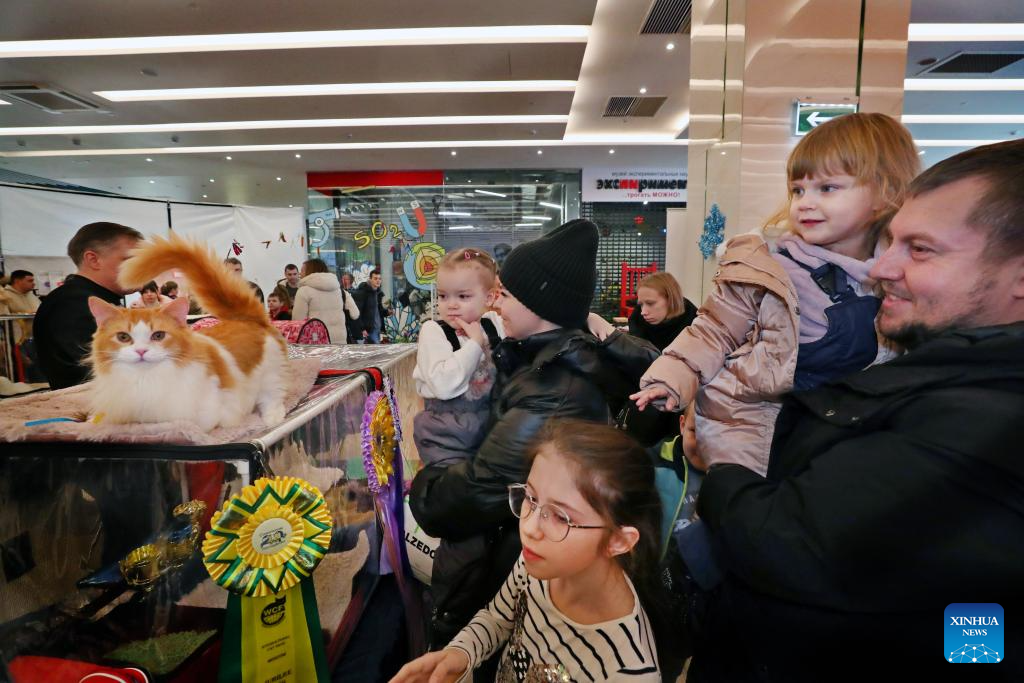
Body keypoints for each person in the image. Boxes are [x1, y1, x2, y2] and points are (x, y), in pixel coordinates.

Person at [686, 139, 1024, 681]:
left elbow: (784, 542)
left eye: (920, 249)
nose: (880, 268)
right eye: (890, 242)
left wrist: (719, 468)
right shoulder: (942, 374)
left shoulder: (984, 417)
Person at [408, 219, 660, 651]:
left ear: (539, 304)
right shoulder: (540, 363)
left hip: (514, 568)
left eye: (504, 294)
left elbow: (473, 495)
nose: (495, 304)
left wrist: (425, 486)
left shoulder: (553, 390)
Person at [632, 112, 920, 476]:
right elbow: (713, 330)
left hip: (847, 436)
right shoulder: (764, 268)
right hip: (756, 426)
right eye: (798, 190)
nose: (805, 202)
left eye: (827, 188)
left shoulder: (901, 276)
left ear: (884, 192)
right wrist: (669, 379)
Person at [393, 420, 665, 682]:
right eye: (531, 499)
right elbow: (499, 618)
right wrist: (460, 654)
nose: (530, 528)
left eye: (560, 517)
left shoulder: (627, 671)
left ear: (617, 541)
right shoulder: (539, 562)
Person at [413, 248, 504, 465]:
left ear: (489, 297)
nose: (451, 304)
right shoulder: (434, 331)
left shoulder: (493, 324)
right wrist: (474, 345)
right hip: (445, 437)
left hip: (490, 430)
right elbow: (443, 385)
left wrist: (588, 317)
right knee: (453, 491)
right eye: (443, 295)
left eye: (463, 296)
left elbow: (534, 318)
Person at [33, 222, 143, 389]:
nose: (143, 267)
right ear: (94, 259)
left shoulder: (87, 298)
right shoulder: (72, 304)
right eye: (131, 260)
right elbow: (91, 373)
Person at [626, 272, 697, 351]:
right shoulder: (637, 320)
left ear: (671, 300)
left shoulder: (695, 327)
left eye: (650, 303)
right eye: (641, 304)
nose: (643, 312)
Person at [291, 258, 357, 343]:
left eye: (302, 270)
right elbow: (355, 314)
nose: (300, 274)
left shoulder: (303, 291)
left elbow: (297, 321)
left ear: (310, 271)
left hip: (316, 342)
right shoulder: (339, 290)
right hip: (340, 342)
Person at [0, 270, 41, 344]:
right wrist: (26, 314)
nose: (33, 283)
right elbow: (3, 318)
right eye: (30, 281)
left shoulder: (32, 296)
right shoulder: (4, 296)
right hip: (17, 342)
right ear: (17, 281)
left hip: (37, 338)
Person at [353, 268, 390, 343]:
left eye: (379, 278)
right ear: (370, 279)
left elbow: (379, 311)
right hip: (369, 331)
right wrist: (362, 329)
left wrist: (387, 312)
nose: (378, 280)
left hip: (378, 330)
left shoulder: (378, 293)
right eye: (375, 278)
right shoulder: (363, 293)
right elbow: (357, 312)